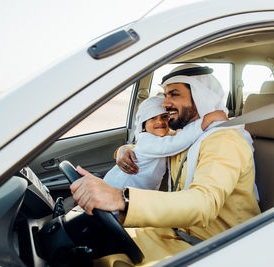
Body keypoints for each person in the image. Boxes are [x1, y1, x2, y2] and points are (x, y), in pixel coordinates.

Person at [70, 64, 261, 266]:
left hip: (216, 244)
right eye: (165, 95)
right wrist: (124, 150)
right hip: (177, 231)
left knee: (105, 256)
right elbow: (151, 144)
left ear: (199, 97)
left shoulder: (224, 140)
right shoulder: (184, 135)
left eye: (174, 95)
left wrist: (122, 199)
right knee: (94, 243)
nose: (165, 103)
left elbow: (204, 204)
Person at [103, 95, 226, 190]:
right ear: (143, 127)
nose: (160, 122)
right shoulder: (148, 141)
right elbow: (177, 142)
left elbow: (175, 137)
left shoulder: (164, 137)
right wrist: (207, 120)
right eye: (153, 118)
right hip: (118, 187)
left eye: (164, 117)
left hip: (133, 192)